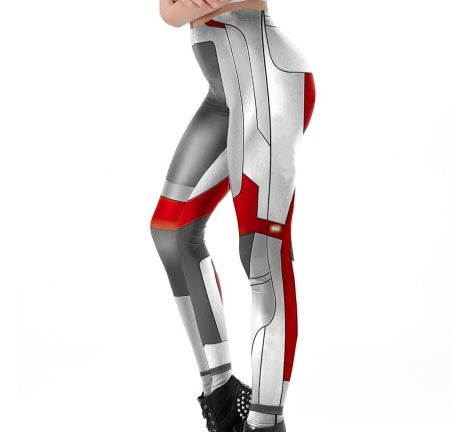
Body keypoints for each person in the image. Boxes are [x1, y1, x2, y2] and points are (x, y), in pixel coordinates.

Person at [151, 1, 316, 431]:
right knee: (171, 230)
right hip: (225, 94)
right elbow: (168, 12)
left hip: (268, 84)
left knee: (262, 253)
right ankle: (223, 399)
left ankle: (265, 422)